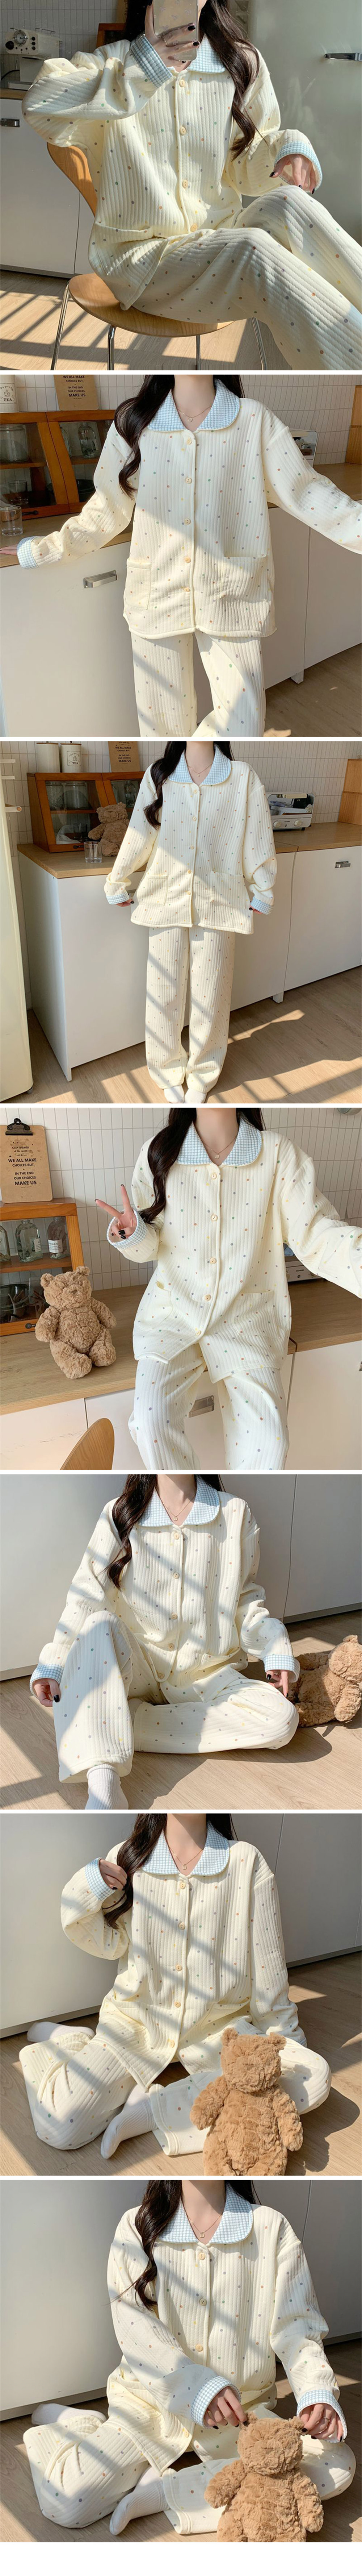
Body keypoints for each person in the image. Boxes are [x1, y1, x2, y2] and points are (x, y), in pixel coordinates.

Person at [16, 375, 362, 740]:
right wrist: (45, 550)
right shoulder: (135, 422)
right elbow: (106, 508)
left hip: (232, 593)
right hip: (156, 593)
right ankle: (179, 773)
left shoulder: (253, 420)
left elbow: (306, 491)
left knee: (242, 723)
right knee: (162, 730)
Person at [22, 7, 362, 370]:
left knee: (290, 202)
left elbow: (245, 169)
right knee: (254, 249)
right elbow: (39, 104)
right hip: (143, 262)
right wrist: (144, 69)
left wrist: (287, 148)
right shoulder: (115, 62)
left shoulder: (240, 61)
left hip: (219, 240)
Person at [24, 2177, 355, 2531]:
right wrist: (197, 2388)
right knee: (65, 2502)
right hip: (149, 2407)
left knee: (337, 2465)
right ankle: (79, 2424)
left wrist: (315, 2391)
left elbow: (297, 2326)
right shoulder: (137, 2226)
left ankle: (163, 2491)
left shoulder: (271, 2228)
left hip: (240, 2417)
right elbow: (134, 2328)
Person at [20, 1808, 331, 2158]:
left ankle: (149, 2110)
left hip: (221, 2034)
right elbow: (106, 1943)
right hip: (135, 2026)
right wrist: (90, 1884)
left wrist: (288, 2047)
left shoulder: (246, 1863)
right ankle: (70, 2042)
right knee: (59, 2125)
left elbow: (268, 1966)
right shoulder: (129, 1858)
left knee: (315, 2077)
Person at [105, 1104, 362, 1470]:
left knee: (269, 1442)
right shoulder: (158, 1153)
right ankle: (193, 1491)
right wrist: (133, 1234)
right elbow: (150, 1247)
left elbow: (318, 1235)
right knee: (150, 1423)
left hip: (246, 1318)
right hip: (172, 1314)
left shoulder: (278, 1155)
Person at [30, 1471, 300, 1809]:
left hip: (205, 1675)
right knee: (99, 1624)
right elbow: (86, 1594)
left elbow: (246, 1600)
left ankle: (119, 1722)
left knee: (282, 1719)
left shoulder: (235, 1512)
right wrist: (55, 1662)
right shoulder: (119, 1512)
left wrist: (275, 1647)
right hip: (137, 1668)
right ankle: (104, 1784)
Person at [104, 736, 276, 1100]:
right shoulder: (160, 774)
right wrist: (117, 879)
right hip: (165, 897)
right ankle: (166, 1070)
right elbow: (140, 832)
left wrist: (263, 888)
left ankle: (202, 1074)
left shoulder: (242, 777)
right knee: (163, 992)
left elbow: (257, 833)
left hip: (220, 901)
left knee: (211, 995)